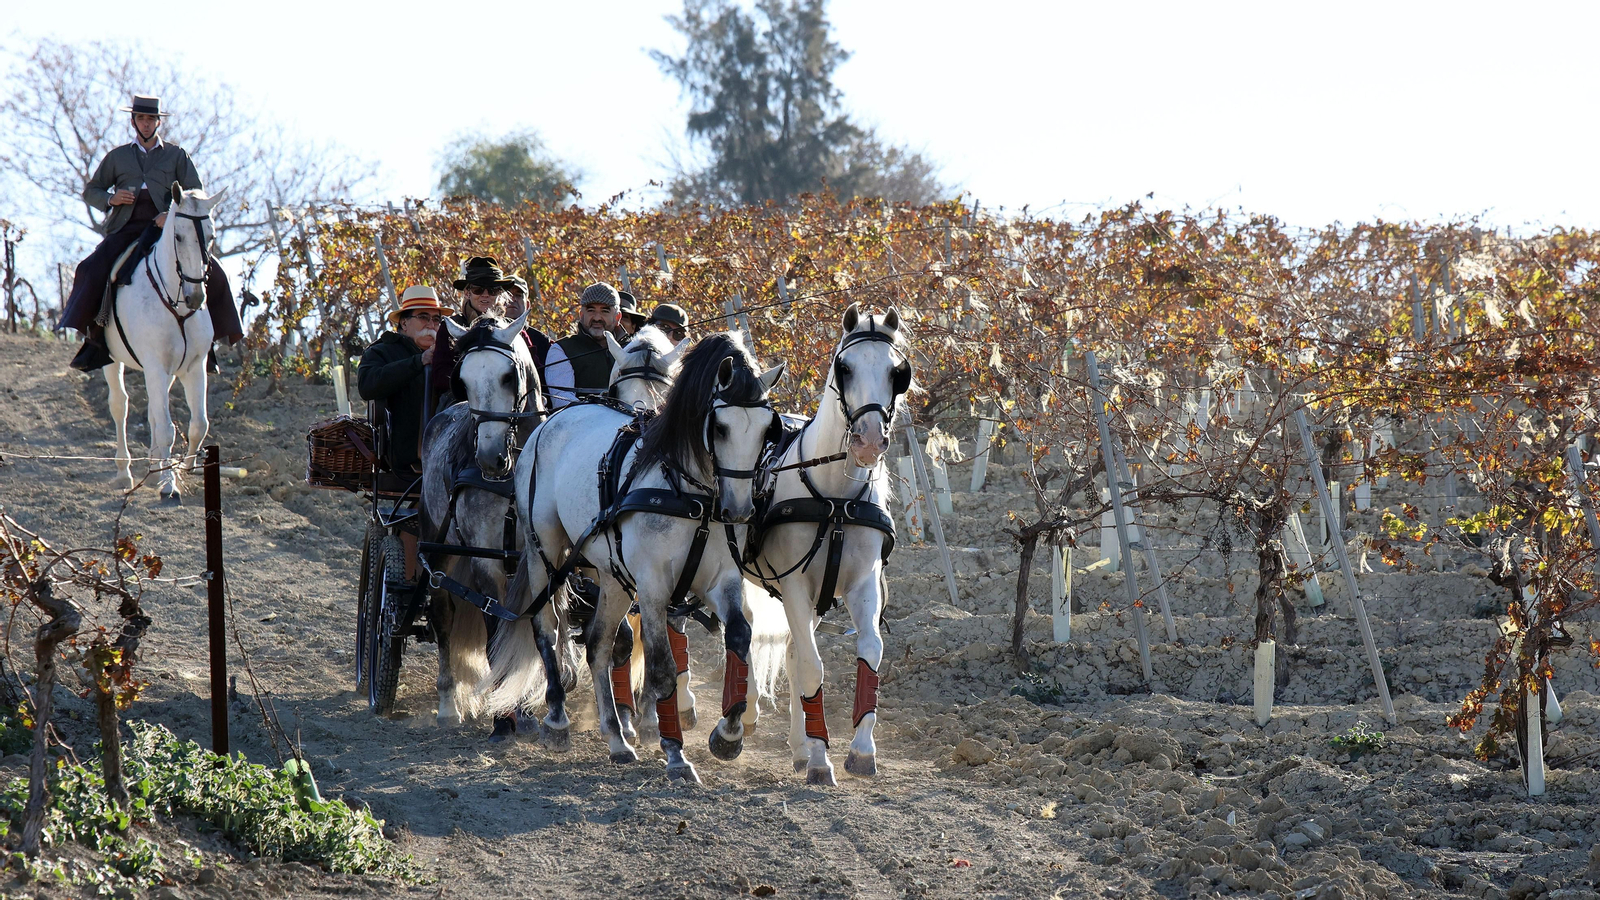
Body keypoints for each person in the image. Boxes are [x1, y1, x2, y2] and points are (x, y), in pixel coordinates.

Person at [60, 94, 244, 371]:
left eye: (150, 119)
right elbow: (91, 190)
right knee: (93, 268)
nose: (146, 124)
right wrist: (111, 199)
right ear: (134, 121)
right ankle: (95, 341)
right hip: (126, 226)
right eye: (141, 118)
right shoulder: (117, 156)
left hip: (168, 228)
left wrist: (170, 213)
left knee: (213, 271)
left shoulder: (177, 155)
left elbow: (195, 193)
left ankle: (209, 345)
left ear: (158, 122)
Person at [358, 285, 452, 477]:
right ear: (404, 323)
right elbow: (367, 385)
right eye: (423, 317)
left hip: (447, 458)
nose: (431, 324)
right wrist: (418, 362)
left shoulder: (449, 354)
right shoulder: (382, 351)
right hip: (403, 460)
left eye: (436, 319)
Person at [430, 256, 513, 400]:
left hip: (507, 399)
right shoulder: (450, 326)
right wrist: (474, 386)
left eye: (492, 290)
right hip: (461, 400)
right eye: (478, 289)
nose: (485, 295)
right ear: (467, 293)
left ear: (499, 294)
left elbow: (532, 368)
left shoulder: (512, 328)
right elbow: (440, 375)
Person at [543, 282, 623, 409]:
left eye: (605, 311)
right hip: (580, 426)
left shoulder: (631, 350)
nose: (597, 318)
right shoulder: (562, 350)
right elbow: (563, 401)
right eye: (591, 310)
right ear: (581, 315)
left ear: (617, 317)